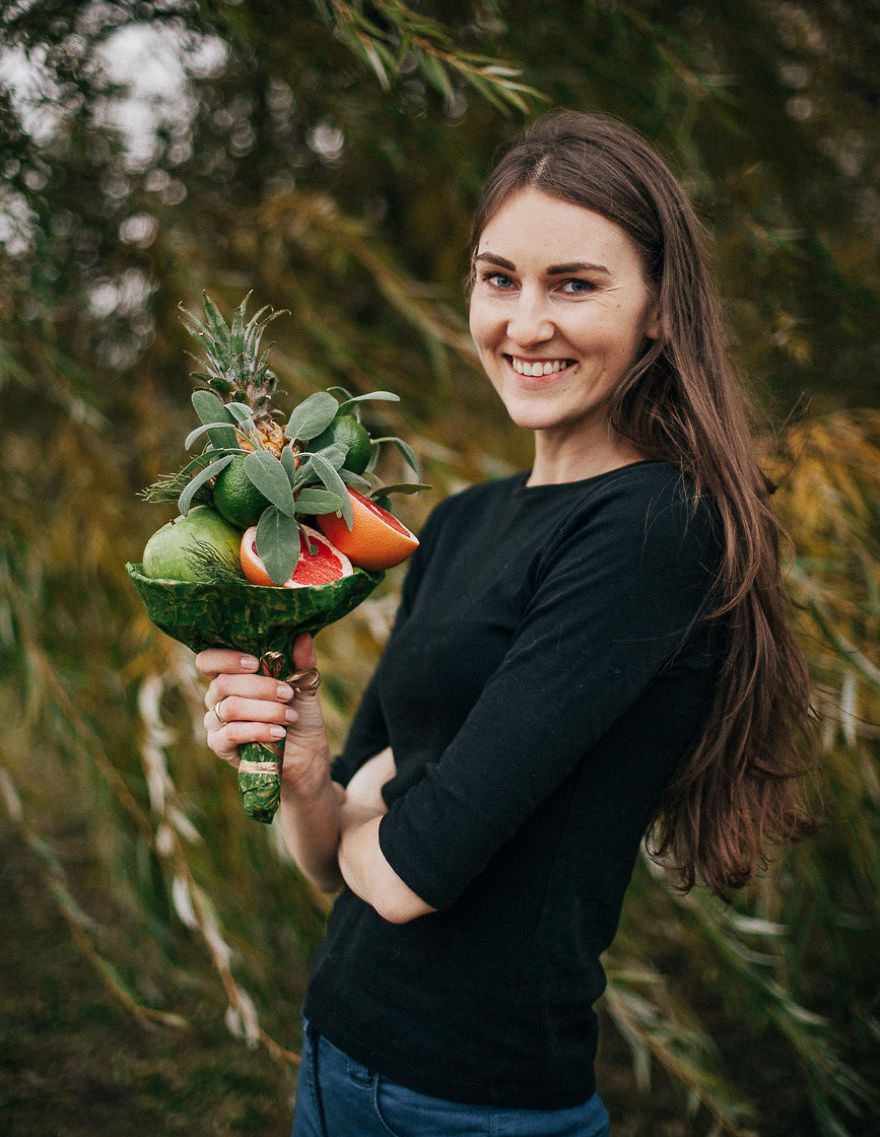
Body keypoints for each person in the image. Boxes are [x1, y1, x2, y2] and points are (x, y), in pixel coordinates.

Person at [196, 110, 818, 1137]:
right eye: (500, 278)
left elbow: (405, 880)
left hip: (469, 1106)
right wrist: (311, 773)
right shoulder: (456, 522)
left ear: (659, 308)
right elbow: (329, 867)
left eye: (573, 284)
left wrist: (381, 808)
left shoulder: (652, 527)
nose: (525, 324)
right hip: (334, 1061)